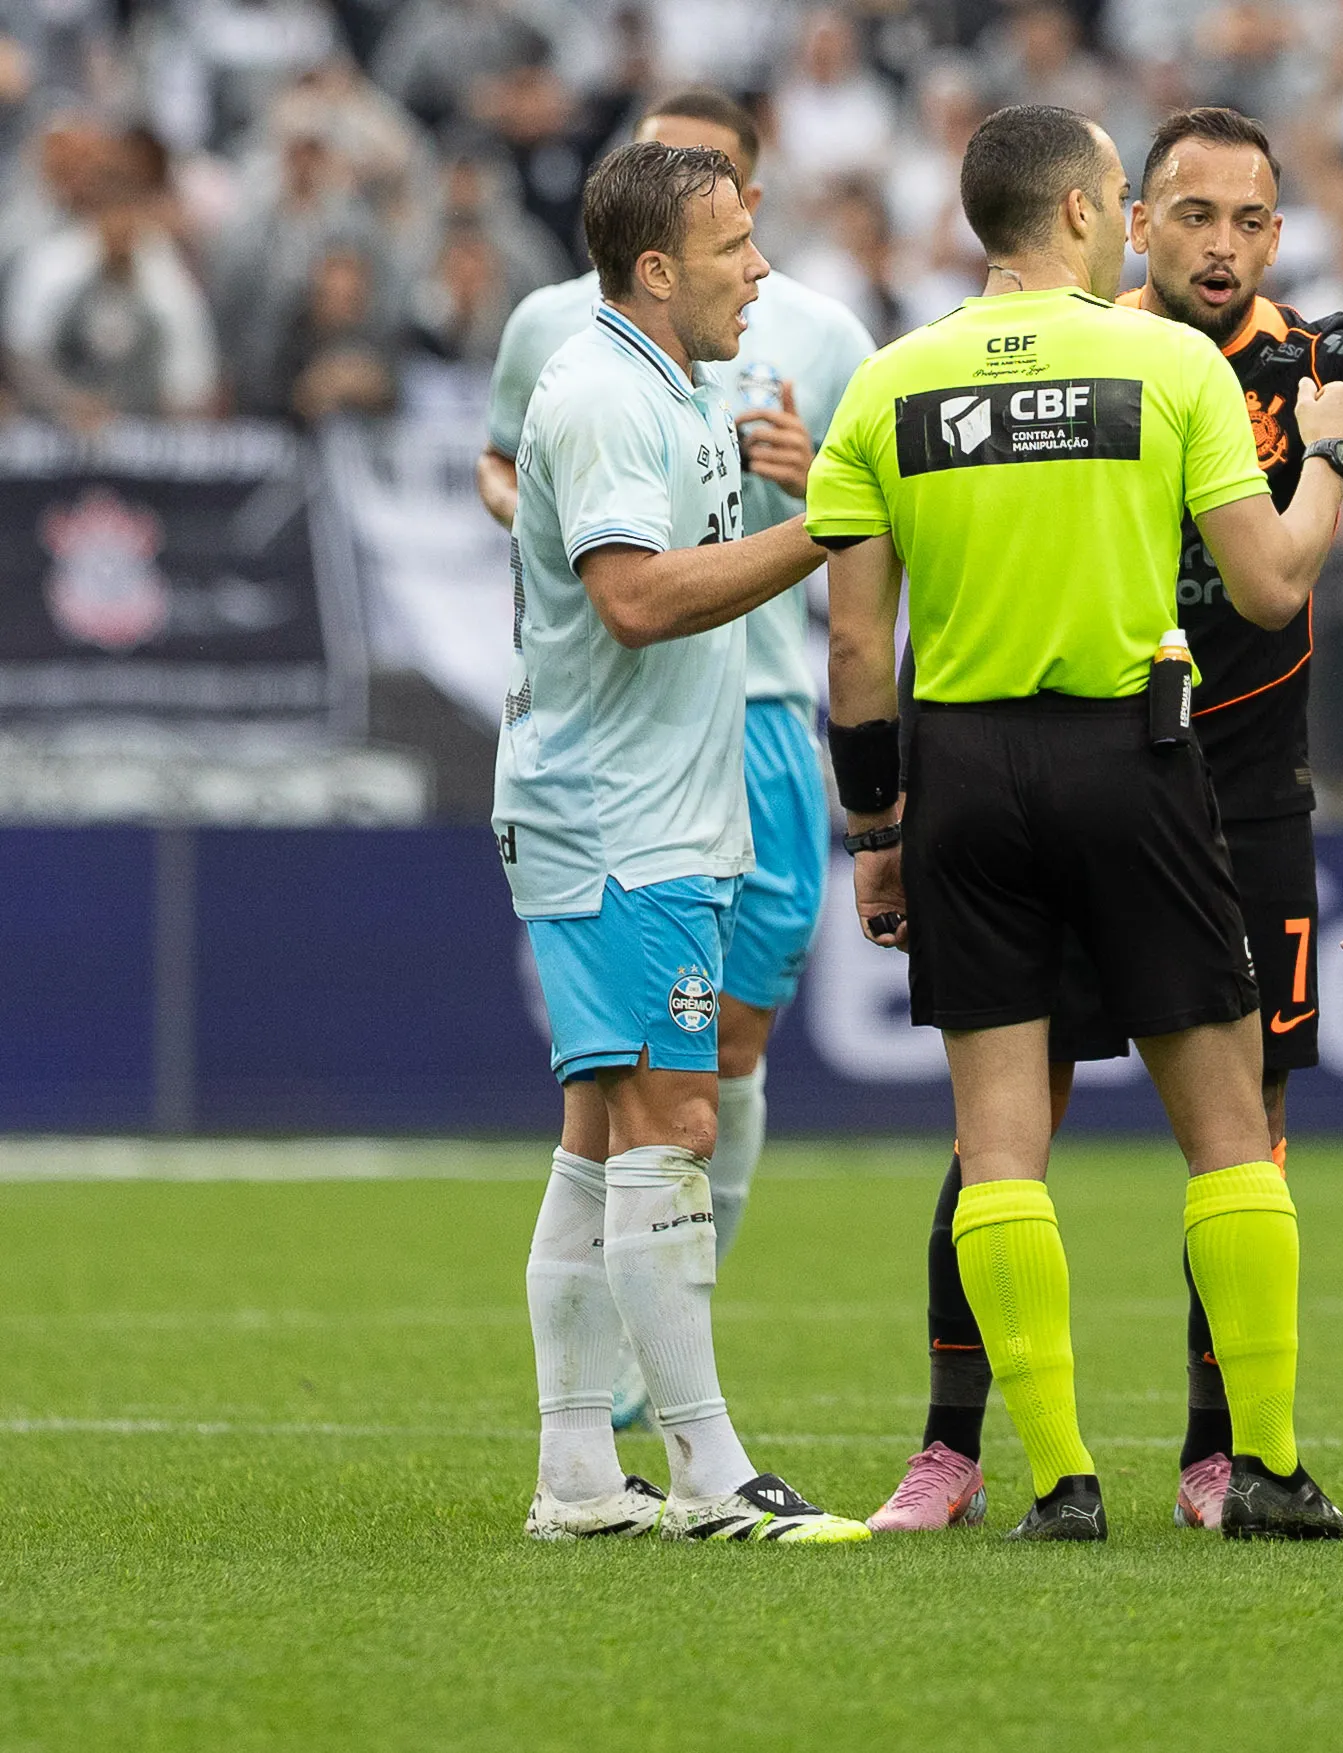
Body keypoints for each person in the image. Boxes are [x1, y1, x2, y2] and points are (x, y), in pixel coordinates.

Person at [810, 104, 1343, 1542]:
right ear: (1085, 215)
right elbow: (1264, 586)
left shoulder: (888, 383)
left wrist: (874, 828)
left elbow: (855, 651)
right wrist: (1326, 458)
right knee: (1230, 1129)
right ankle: (1261, 1466)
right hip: (1135, 758)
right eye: (1138, 196)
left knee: (998, 1146)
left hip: (962, 772)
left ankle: (1058, 1482)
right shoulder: (1161, 362)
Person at [480, 89, 876, 1432]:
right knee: (674, 1127)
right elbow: (637, 601)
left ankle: (582, 1471)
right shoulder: (594, 386)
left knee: (606, 1140)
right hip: (616, 807)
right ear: (656, 267)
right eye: (733, 248)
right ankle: (706, 1466)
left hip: (672, 786)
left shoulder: (676, 379)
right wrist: (830, 521)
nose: (761, 271)